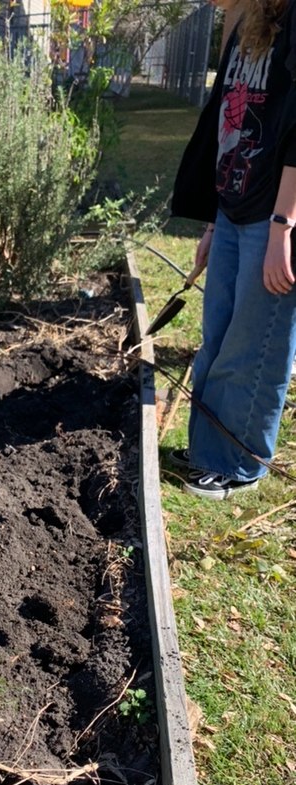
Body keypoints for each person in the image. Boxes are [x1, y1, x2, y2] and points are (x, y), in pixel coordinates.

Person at [170, 0, 296, 498]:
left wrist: (284, 226)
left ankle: (240, 465)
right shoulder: (247, 23)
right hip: (231, 208)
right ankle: (208, 451)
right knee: (218, 335)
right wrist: (210, 224)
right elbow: (224, 123)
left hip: (274, 216)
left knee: (254, 344)